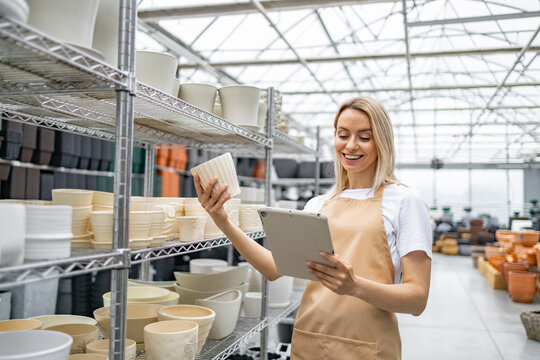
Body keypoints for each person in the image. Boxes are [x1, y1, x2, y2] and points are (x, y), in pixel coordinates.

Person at [193, 96, 432, 360]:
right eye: (343, 135)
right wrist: (223, 222)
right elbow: (274, 269)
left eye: (365, 137)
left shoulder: (405, 201)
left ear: (382, 142)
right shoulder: (318, 204)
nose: (351, 145)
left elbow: (417, 299)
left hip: (366, 347)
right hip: (310, 342)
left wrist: (354, 286)